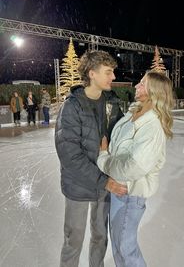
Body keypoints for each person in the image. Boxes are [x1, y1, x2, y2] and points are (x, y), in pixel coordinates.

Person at [54, 50, 127, 267]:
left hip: (104, 186)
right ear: (92, 73)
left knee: (100, 237)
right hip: (78, 185)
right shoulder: (72, 106)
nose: (113, 77)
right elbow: (69, 155)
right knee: (73, 239)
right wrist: (104, 180)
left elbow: (122, 137)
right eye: (108, 72)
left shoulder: (112, 104)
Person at [98, 70, 174, 267]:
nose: (136, 86)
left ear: (154, 92)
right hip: (119, 189)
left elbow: (134, 167)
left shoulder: (153, 126)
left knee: (125, 247)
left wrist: (103, 158)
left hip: (130, 194)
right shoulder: (133, 112)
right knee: (118, 244)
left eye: (142, 84)